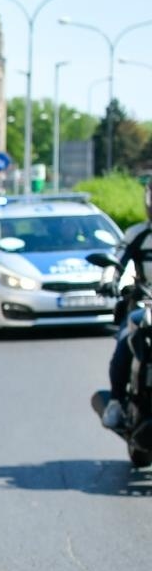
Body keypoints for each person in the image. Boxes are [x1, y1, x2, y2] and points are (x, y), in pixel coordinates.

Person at [98, 181, 152, 430]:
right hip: (145, 303)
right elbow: (115, 260)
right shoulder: (138, 234)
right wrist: (109, 280)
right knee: (124, 341)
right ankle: (117, 402)